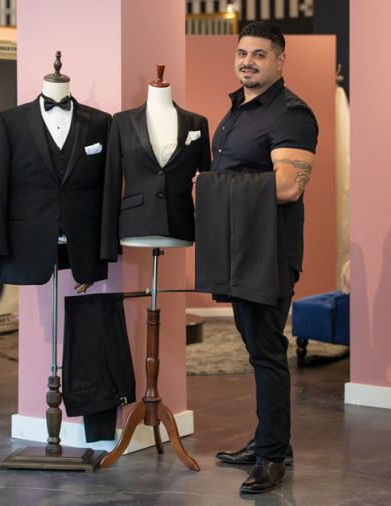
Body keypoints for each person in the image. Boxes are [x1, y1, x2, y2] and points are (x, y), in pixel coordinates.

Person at [210, 21, 318, 494]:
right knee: (257, 350)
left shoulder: (292, 113)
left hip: (270, 251)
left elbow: (288, 185)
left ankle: (273, 458)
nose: (247, 61)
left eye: (258, 54)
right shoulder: (238, 109)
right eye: (241, 53)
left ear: (280, 60)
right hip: (238, 247)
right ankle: (269, 441)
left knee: (268, 351)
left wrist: (211, 190)